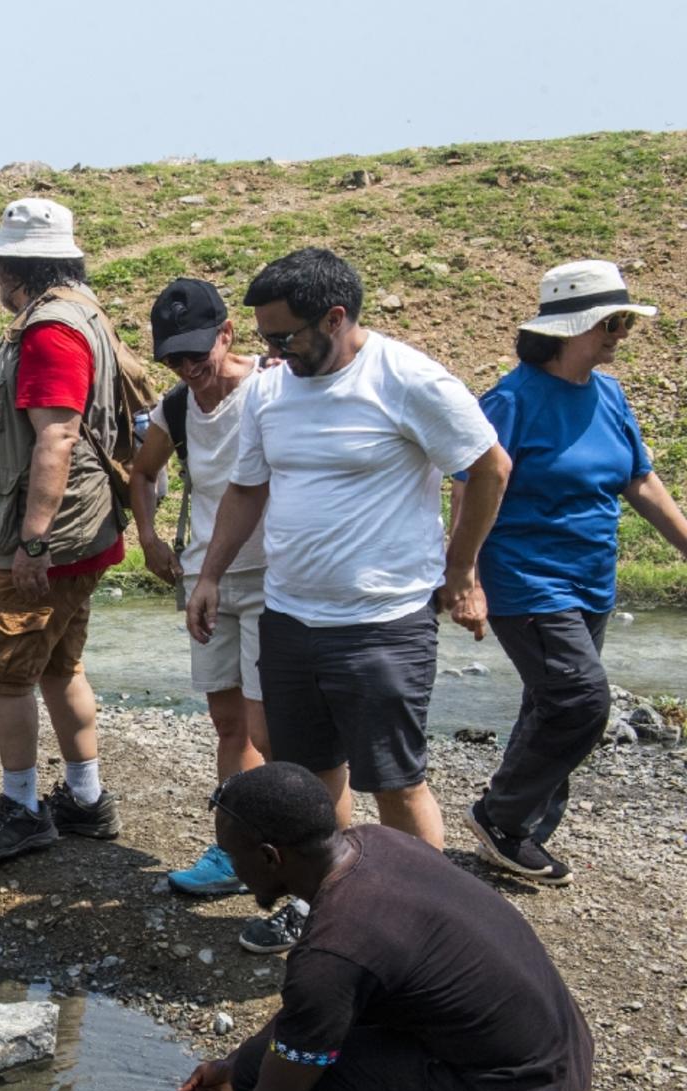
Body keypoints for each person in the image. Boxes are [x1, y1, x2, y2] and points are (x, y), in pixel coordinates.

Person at [106, 763, 593, 1091]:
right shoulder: (379, 843)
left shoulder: (333, 950)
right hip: (557, 1055)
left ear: (271, 857)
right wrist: (235, 1065)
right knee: (257, 1070)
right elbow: (327, 1008)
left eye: (234, 857)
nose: (234, 868)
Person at [186, 247, 512, 851]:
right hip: (287, 615)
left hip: (383, 623)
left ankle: (421, 923)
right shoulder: (270, 389)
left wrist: (461, 569)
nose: (273, 352)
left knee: (395, 782)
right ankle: (331, 903)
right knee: (308, 779)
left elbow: (489, 467)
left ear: (335, 318)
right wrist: (210, 576)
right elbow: (246, 488)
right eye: (265, 337)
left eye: (284, 337)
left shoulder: (408, 379)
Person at [455, 261, 687, 884]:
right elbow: (471, 486)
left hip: (592, 580)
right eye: (610, 322)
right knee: (582, 701)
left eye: (625, 323)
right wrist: (465, 577)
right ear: (570, 326)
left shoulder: (608, 394)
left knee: (549, 705)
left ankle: (519, 837)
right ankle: (499, 817)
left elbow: (639, 478)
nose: (620, 333)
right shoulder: (510, 400)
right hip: (526, 578)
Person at [130, 279, 307, 952]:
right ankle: (234, 851)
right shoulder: (175, 407)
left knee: (269, 724)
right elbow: (141, 473)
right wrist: (148, 538)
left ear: (228, 334)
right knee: (229, 720)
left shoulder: (275, 384)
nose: (188, 371)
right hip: (208, 580)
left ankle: (288, 861)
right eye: (175, 359)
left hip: (271, 579)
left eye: (198, 356)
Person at [0, 197, 126, 862]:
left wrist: (31, 539)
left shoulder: (50, 330)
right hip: (81, 532)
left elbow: (55, 435)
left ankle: (22, 807)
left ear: (15, 266)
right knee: (58, 661)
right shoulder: (85, 316)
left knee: (1, 667)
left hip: (43, 539)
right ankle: (84, 797)